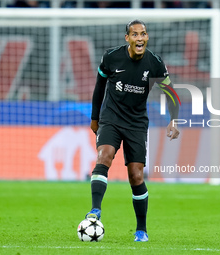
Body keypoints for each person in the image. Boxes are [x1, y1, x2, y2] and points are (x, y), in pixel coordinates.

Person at [85, 19, 180, 242]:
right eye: (135, 34)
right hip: (111, 118)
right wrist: (94, 117)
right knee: (104, 155)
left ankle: (141, 230)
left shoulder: (155, 63)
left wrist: (173, 120)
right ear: (127, 38)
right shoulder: (111, 57)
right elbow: (99, 87)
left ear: (147, 37)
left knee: (136, 175)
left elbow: (171, 93)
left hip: (137, 123)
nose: (140, 38)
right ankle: (95, 210)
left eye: (143, 34)